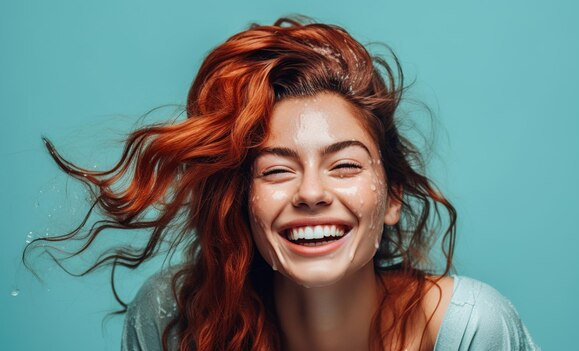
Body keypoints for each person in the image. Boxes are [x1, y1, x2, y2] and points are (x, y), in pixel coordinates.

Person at [29, 17, 539, 351]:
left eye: (344, 166)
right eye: (276, 170)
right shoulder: (171, 323)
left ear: (394, 197)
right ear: (241, 202)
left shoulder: (471, 330)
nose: (311, 193)